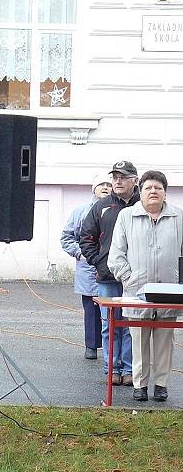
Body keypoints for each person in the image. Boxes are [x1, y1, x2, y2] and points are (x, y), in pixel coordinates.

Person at [108, 171, 183, 402]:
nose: (153, 192)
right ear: (141, 190)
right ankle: (139, 385)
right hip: (137, 293)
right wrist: (129, 278)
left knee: (164, 342)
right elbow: (116, 255)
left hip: (169, 294)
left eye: (158, 188)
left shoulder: (179, 217)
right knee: (138, 340)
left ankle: (161, 385)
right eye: (149, 187)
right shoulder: (126, 216)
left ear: (165, 193)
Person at [80, 161, 140, 386]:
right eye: (115, 177)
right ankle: (111, 368)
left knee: (131, 324)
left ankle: (129, 369)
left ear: (135, 180)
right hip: (107, 277)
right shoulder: (101, 206)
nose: (117, 181)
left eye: (123, 177)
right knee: (110, 324)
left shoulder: (142, 205)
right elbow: (86, 237)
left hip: (136, 278)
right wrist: (99, 262)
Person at [61, 173, 112, 359]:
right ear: (94, 189)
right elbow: (66, 238)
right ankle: (91, 345)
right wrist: (80, 253)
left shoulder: (120, 210)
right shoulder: (80, 211)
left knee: (112, 308)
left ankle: (112, 349)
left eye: (109, 184)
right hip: (88, 268)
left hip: (111, 268)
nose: (105, 187)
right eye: (101, 185)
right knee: (91, 309)